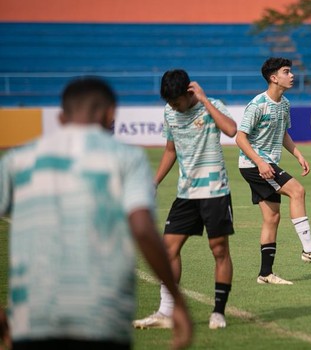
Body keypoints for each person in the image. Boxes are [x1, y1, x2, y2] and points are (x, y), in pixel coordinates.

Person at [0, 77, 192, 349]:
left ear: (61, 116)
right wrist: (178, 302)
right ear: (111, 113)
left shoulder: (16, 161)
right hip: (102, 318)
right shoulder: (126, 158)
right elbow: (142, 229)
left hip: (31, 319)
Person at [133, 70, 237, 329]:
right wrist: (154, 181)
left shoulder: (210, 106)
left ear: (188, 94)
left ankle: (218, 312)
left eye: (176, 102)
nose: (173, 108)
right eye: (169, 103)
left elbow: (232, 130)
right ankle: (165, 312)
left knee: (219, 250)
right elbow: (171, 150)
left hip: (214, 191)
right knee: (168, 249)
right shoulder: (169, 113)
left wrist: (205, 100)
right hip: (186, 193)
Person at [236, 57, 311, 285]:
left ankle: (265, 274)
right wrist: (261, 163)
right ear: (274, 78)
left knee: (272, 218)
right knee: (297, 191)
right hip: (255, 165)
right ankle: (309, 249)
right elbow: (240, 138)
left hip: (266, 163)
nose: (292, 75)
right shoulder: (257, 105)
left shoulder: (285, 104)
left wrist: (298, 154)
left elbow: (283, 134)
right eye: (286, 71)